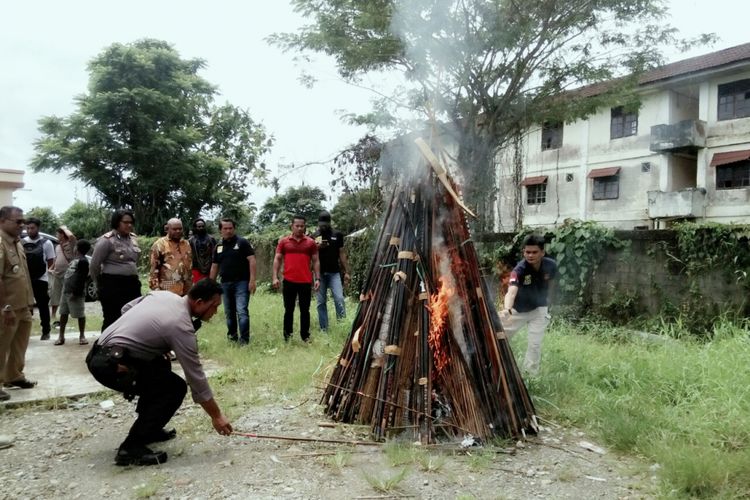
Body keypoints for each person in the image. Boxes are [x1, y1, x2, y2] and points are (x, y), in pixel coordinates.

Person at [85, 279, 233, 466]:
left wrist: (149, 341)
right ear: (199, 303)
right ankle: (131, 448)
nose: (215, 312)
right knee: (174, 389)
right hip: (110, 366)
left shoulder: (163, 295)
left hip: (98, 353)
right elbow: (196, 378)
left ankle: (150, 429)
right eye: (214, 307)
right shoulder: (181, 326)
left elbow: (126, 309)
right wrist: (216, 416)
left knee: (161, 366)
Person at [500, 234, 557, 376]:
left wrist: (548, 302)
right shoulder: (519, 270)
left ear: (542, 252)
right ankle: (496, 368)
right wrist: (507, 309)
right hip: (518, 310)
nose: (530, 255)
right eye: (527, 252)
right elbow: (511, 292)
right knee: (499, 336)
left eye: (534, 252)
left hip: (538, 309)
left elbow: (551, 284)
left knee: (535, 344)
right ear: (523, 252)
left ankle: (530, 375)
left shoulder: (551, 265)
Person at [0, 206, 37, 401]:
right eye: (17, 221)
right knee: (2, 344)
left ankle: (13, 376)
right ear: (3, 221)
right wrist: (5, 307)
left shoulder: (17, 243)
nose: (21, 225)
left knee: (20, 343)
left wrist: (30, 301)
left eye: (22, 221)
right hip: (7, 307)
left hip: (22, 305)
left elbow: (23, 275)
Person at [90, 209, 142, 331]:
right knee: (112, 318)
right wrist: (99, 284)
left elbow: (134, 261)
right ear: (117, 222)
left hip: (132, 284)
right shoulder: (106, 240)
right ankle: (105, 347)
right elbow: (94, 265)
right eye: (125, 222)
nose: (129, 225)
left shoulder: (133, 239)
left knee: (133, 317)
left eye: (131, 222)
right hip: (112, 285)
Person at [272, 215, 320, 343]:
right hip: (288, 281)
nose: (299, 228)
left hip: (305, 281)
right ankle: (287, 336)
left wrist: (317, 278)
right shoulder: (283, 242)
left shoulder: (310, 243)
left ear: (305, 227)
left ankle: (305, 336)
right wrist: (275, 277)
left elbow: (316, 261)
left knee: (305, 310)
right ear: (291, 226)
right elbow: (277, 259)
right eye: (297, 226)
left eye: (302, 226)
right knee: (289, 310)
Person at [209, 218, 256, 345]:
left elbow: (252, 260)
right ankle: (232, 337)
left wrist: (252, 280)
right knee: (229, 313)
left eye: (230, 228)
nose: (228, 231)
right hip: (225, 284)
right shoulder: (218, 246)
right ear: (220, 230)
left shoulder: (242, 242)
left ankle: (244, 340)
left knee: (241, 311)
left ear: (234, 229)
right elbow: (214, 266)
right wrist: (211, 285)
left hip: (242, 282)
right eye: (225, 228)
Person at [311, 210, 350, 332]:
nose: (323, 226)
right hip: (319, 274)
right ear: (318, 223)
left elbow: (342, 253)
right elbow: (311, 255)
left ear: (329, 222)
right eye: (321, 223)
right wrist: (318, 247)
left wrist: (347, 271)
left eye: (325, 223)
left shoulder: (337, 234)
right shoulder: (314, 235)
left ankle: (342, 325)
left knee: (339, 299)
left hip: (334, 273)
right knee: (321, 302)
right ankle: (324, 329)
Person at [22, 217, 55, 340]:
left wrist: (46, 274)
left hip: (41, 279)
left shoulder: (47, 243)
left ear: (38, 228)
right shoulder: (22, 242)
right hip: (25, 279)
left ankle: (46, 331)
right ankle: (25, 332)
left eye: (32, 228)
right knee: (25, 307)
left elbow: (51, 261)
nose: (30, 230)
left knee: (43, 306)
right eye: (28, 228)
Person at [55, 239, 91, 346]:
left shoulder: (83, 261)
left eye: (75, 246)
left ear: (77, 248)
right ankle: (61, 336)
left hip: (75, 293)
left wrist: (76, 293)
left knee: (80, 314)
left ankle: (82, 335)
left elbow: (81, 278)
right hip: (66, 291)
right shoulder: (75, 260)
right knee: (63, 313)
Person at [148, 218, 192, 296]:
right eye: (174, 229)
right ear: (168, 229)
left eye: (180, 229)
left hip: (186, 290)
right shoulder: (159, 244)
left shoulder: (186, 244)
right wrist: (156, 290)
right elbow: (153, 270)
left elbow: (189, 267)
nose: (178, 231)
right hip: (167, 289)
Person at [49, 225, 77, 329]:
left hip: (68, 274)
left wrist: (64, 228)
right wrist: (51, 268)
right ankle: (53, 315)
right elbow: (56, 259)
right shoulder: (57, 246)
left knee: (66, 296)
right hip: (57, 273)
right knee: (54, 295)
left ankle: (67, 316)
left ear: (62, 234)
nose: (56, 235)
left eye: (58, 233)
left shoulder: (71, 244)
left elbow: (72, 237)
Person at [188, 218, 216, 283]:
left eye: (203, 226)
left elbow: (215, 253)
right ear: (195, 227)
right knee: (198, 287)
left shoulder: (211, 239)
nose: (201, 228)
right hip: (196, 268)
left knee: (208, 287)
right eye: (199, 227)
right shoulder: (191, 241)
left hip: (209, 267)